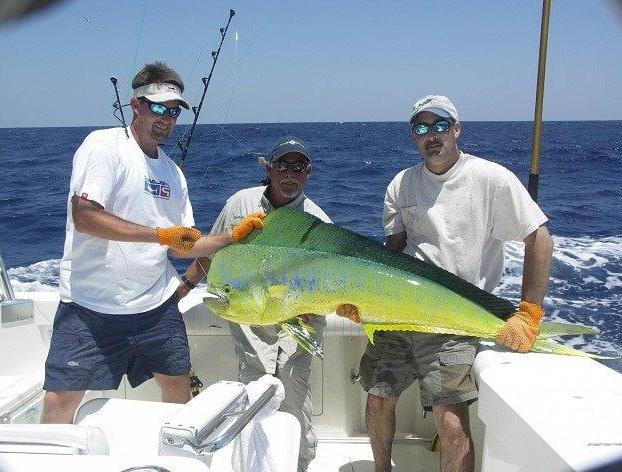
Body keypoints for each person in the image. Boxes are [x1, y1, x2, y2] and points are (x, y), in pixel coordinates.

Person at [42, 61, 263, 424]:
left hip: (155, 305)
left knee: (177, 383)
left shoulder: (173, 173)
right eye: (158, 107)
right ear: (136, 105)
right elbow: (84, 216)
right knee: (60, 399)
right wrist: (157, 234)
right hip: (91, 305)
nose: (167, 118)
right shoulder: (104, 146)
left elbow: (182, 247)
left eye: (174, 110)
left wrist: (231, 238)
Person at [360, 95, 554, 472]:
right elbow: (392, 254)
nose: (431, 135)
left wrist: (529, 312)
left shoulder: (492, 178)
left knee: (451, 426)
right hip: (397, 315)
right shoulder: (401, 184)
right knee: (377, 401)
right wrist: (363, 301)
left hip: (454, 319)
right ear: (413, 136)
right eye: (421, 128)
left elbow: (540, 239)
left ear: (456, 129)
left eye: (440, 126)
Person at [178, 137, 331, 471]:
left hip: (299, 319)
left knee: (292, 392)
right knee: (252, 391)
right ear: (269, 169)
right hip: (251, 317)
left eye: (298, 167)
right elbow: (210, 252)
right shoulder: (240, 203)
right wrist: (183, 287)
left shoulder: (318, 221)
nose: (290, 174)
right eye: (282, 166)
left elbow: (327, 284)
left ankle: (299, 464)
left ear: (308, 172)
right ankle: (250, 463)